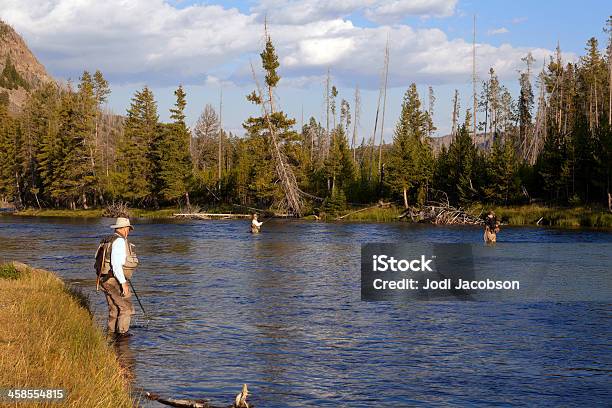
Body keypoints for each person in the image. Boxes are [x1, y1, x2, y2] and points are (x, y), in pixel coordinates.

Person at [100, 217, 138, 337]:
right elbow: (116, 265)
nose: (129, 231)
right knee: (126, 309)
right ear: (124, 228)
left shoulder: (108, 240)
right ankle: (122, 338)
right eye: (128, 229)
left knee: (114, 309)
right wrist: (123, 283)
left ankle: (111, 338)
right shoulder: (120, 241)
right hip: (114, 281)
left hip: (105, 279)